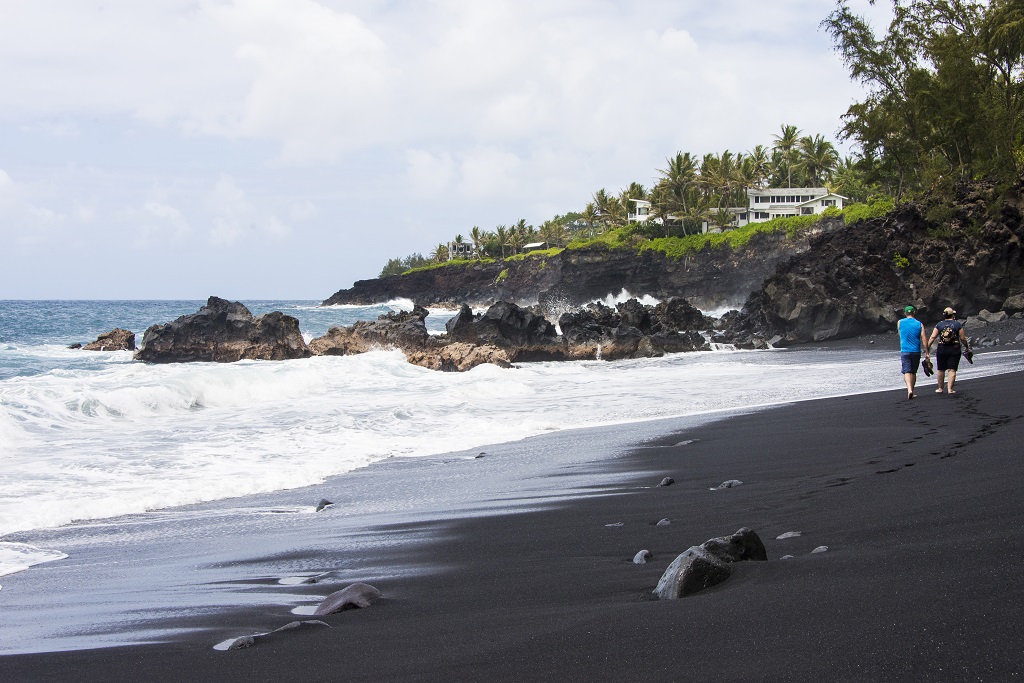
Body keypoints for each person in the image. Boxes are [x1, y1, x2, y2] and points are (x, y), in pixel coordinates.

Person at [926, 306, 971, 394]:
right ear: (952, 315)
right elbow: (963, 338)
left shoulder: (939, 324)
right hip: (954, 348)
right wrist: (967, 347)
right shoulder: (957, 324)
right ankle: (950, 389)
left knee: (941, 369)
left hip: (942, 348)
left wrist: (927, 348)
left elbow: (932, 337)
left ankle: (940, 388)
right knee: (952, 369)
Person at [898, 305, 930, 399]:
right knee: (913, 371)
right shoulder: (919, 324)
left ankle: (909, 390)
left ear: (905, 313)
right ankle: (913, 390)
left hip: (905, 350)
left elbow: (900, 335)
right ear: (914, 313)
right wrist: (927, 352)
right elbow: (924, 338)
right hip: (916, 350)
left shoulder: (900, 322)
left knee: (906, 371)